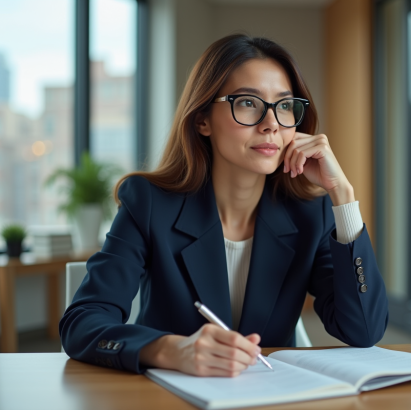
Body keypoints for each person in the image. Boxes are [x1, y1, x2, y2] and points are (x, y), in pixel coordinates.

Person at [60, 34, 389, 377]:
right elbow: (82, 324)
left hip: (270, 396)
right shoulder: (149, 203)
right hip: (168, 394)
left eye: (285, 105)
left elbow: (363, 330)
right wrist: (170, 349)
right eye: (248, 103)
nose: (271, 123)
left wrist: (343, 197)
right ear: (202, 119)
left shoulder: (310, 212)